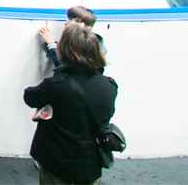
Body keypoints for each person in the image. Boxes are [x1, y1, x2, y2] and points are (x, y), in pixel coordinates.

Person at [23, 23, 118, 184]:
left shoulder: (57, 85)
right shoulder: (109, 86)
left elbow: (30, 97)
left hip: (57, 162)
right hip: (90, 164)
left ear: (67, 52)